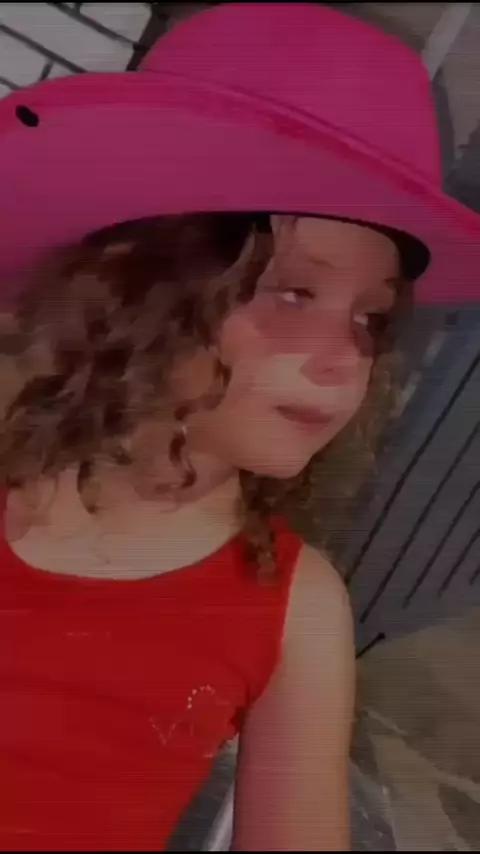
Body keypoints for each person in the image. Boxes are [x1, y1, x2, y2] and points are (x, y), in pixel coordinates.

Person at [0, 3, 478, 852]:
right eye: (294, 292)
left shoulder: (295, 612)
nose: (344, 358)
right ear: (140, 287)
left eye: (370, 320)